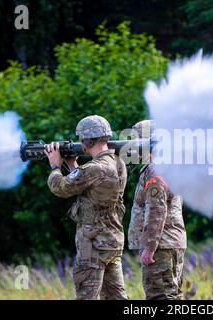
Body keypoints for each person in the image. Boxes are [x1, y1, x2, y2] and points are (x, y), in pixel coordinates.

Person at [44, 115, 128, 300]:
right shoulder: (118, 162)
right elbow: (90, 186)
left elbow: (61, 187)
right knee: (116, 297)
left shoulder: (94, 168)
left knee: (86, 296)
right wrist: (73, 165)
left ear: (86, 140)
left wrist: (55, 166)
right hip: (111, 240)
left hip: (92, 245)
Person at [128, 120, 187, 300]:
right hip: (171, 243)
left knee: (160, 297)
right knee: (172, 295)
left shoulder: (154, 172)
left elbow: (156, 211)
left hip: (161, 246)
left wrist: (149, 247)